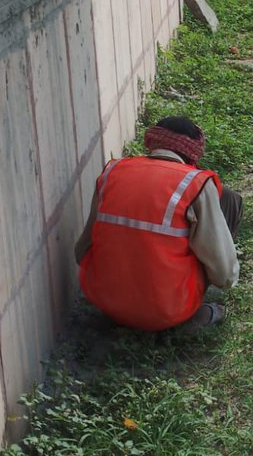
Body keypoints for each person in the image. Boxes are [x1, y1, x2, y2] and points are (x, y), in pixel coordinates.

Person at [75, 117, 241, 331]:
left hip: (105, 302)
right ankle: (190, 317)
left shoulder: (111, 173)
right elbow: (224, 275)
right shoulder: (196, 184)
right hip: (166, 311)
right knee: (228, 199)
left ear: (152, 142)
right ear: (193, 152)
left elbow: (81, 252)